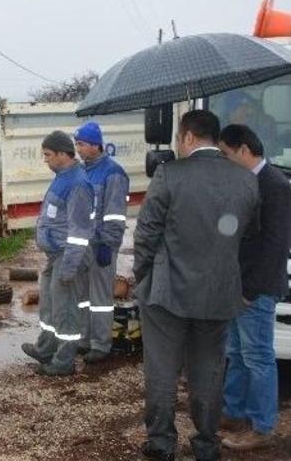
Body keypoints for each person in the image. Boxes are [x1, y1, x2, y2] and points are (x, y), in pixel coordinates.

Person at [134, 110, 260, 461]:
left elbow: (146, 234)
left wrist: (143, 276)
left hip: (167, 293)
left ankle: (161, 444)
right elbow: (250, 236)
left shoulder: (169, 174)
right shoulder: (246, 179)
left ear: (188, 137)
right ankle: (206, 444)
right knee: (209, 371)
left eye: (178, 137)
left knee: (162, 370)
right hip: (218, 294)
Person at [217, 124, 291, 451]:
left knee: (258, 356)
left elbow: (275, 245)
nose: (224, 161)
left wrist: (251, 289)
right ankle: (234, 413)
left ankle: (262, 426)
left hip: (255, 289)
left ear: (245, 150)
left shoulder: (274, 185)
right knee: (236, 352)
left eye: (226, 154)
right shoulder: (247, 182)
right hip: (238, 284)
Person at [21, 131, 94, 376]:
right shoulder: (63, 177)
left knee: (65, 309)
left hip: (67, 255)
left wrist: (70, 266)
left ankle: (64, 361)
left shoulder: (78, 184)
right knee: (50, 303)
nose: (46, 160)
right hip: (56, 255)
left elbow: (79, 231)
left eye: (48, 155)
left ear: (63, 154)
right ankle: (46, 347)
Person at [73, 121, 130, 364]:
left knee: (100, 299)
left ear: (96, 145)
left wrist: (108, 244)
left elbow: (115, 214)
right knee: (83, 296)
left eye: (82, 144)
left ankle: (100, 344)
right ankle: (84, 339)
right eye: (76, 144)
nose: (78, 148)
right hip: (82, 246)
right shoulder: (82, 171)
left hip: (101, 245)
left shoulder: (113, 173)